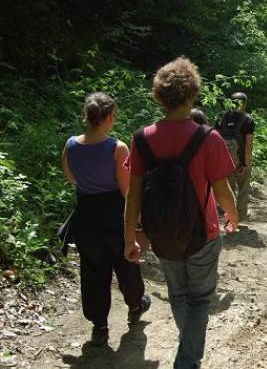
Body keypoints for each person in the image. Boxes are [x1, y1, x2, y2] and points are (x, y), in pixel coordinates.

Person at [124, 57, 238, 369]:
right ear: (193, 95)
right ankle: (187, 360)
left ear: (159, 96)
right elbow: (222, 191)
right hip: (204, 234)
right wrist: (233, 214)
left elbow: (133, 196)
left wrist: (130, 238)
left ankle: (187, 344)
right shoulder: (208, 137)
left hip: (161, 234)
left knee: (178, 293)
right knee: (200, 299)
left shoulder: (141, 139)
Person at [61, 92, 150, 346]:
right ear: (110, 117)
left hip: (86, 214)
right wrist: (139, 223)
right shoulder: (117, 148)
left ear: (86, 116)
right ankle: (136, 306)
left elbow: (71, 178)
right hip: (114, 214)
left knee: (92, 269)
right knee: (126, 262)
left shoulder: (70, 145)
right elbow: (127, 191)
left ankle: (99, 324)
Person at [217, 92, 255, 222]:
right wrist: (246, 163)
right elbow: (249, 144)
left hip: (223, 160)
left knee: (228, 188)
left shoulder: (221, 117)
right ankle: (241, 217)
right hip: (241, 159)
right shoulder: (247, 119)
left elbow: (215, 140)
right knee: (243, 189)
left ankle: (229, 217)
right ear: (244, 104)